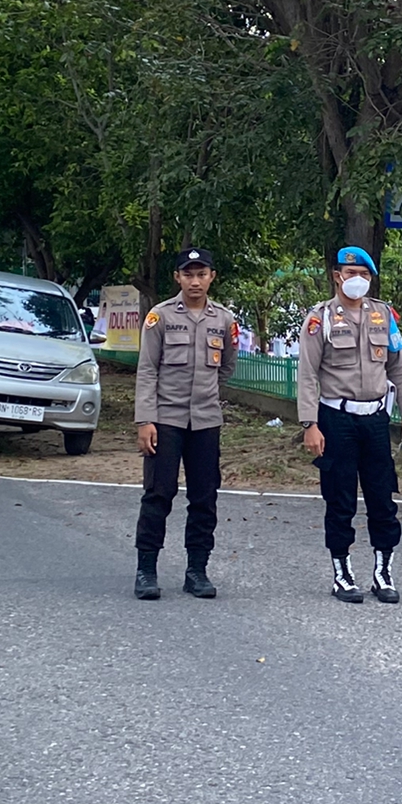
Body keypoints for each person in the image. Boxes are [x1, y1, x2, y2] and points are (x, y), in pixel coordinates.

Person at [297, 246, 402, 603]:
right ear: (337, 276)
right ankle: (342, 572)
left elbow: (398, 365)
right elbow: (307, 374)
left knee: (383, 498)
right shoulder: (319, 319)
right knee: (340, 498)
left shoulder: (383, 315)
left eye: (364, 275)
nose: (357, 281)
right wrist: (309, 423)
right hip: (336, 418)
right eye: (351, 274)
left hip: (376, 419)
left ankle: (383, 572)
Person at [133, 247, 239, 600]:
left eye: (202, 274)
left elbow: (226, 367)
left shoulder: (224, 320)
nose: (195, 281)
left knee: (204, 498)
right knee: (158, 495)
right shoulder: (159, 317)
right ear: (177, 278)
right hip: (166, 419)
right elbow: (147, 370)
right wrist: (146, 419)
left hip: (206, 421)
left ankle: (197, 570)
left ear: (212, 277)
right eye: (188, 274)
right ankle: (146, 569)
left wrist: (208, 397)